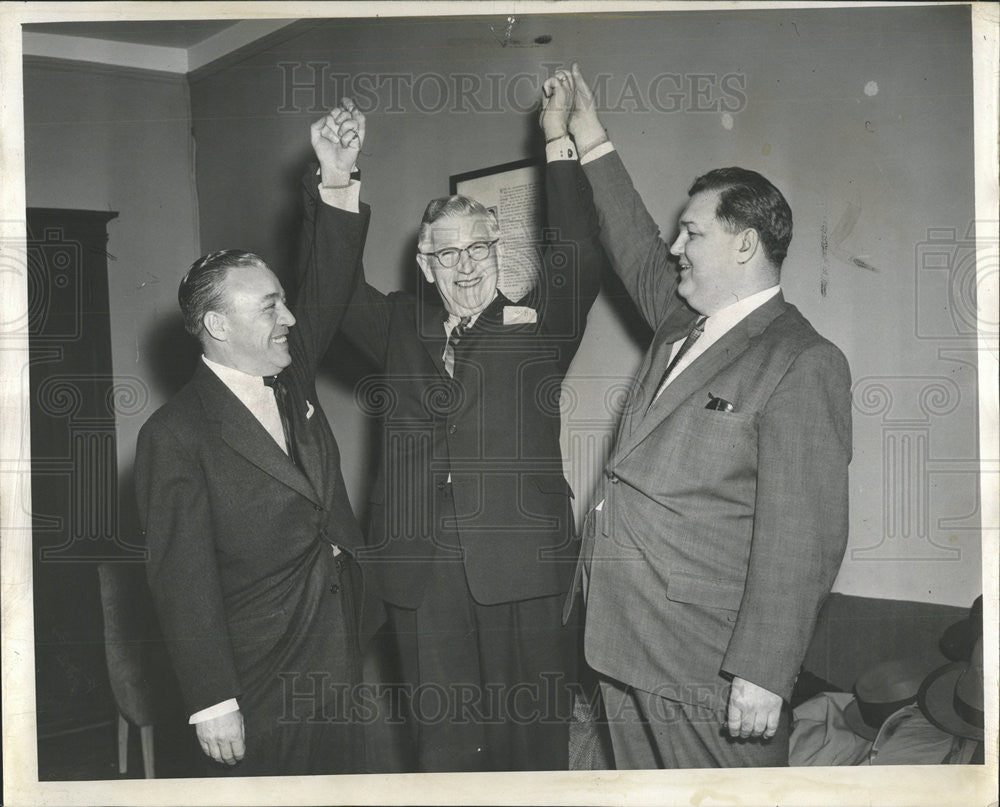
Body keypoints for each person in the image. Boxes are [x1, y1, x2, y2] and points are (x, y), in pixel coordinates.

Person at [553, 64, 853, 768]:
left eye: (690, 233)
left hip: (707, 661)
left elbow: (805, 534)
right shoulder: (681, 324)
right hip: (622, 639)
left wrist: (764, 669)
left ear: (744, 242)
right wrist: (590, 136)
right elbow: (630, 243)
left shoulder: (801, 359)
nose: (675, 247)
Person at [317, 93, 606, 771]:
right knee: (444, 752)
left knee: (531, 750)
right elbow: (329, 292)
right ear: (425, 266)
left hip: (523, 570)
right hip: (422, 572)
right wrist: (336, 179)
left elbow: (581, 257)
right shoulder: (396, 328)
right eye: (449, 257)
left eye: (479, 248)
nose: (468, 266)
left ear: (498, 250)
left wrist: (558, 144)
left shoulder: (538, 324)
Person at [134, 109, 380, 776]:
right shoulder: (174, 436)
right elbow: (179, 579)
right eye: (270, 306)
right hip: (259, 674)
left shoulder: (287, 369)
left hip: (339, 642)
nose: (290, 318)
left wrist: (334, 175)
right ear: (217, 323)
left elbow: (325, 285)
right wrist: (212, 699)